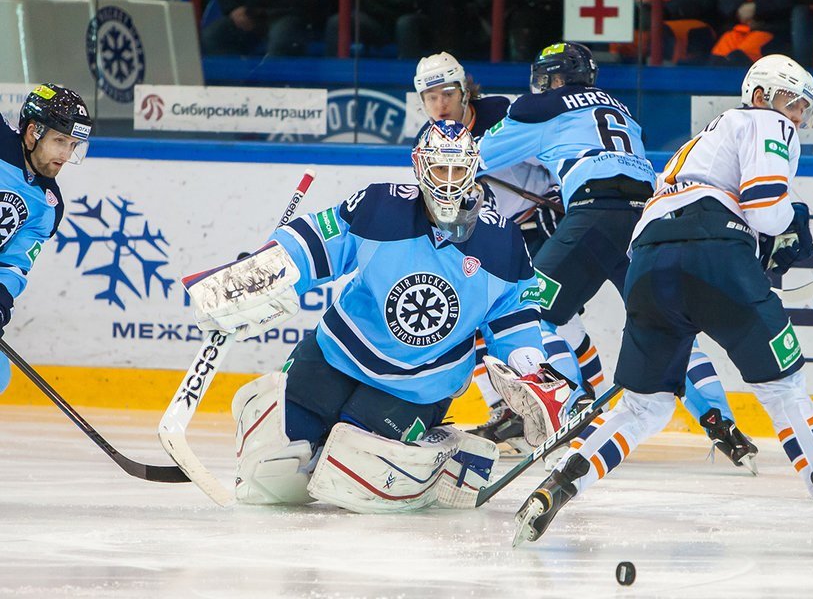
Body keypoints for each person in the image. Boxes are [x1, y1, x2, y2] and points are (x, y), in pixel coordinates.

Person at [511, 55, 813, 557]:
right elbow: (766, 209)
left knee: (643, 406)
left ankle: (555, 487)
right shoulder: (765, 122)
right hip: (713, 247)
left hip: (649, 259)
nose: (797, 115)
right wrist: (792, 225)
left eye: (804, 107)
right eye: (792, 101)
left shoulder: (699, 142)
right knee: (784, 390)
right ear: (760, 94)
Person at [186, 120, 575, 513]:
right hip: (336, 355)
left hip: (419, 384)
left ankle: (443, 454)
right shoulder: (379, 206)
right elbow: (317, 241)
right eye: (441, 169)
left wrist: (531, 368)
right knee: (269, 466)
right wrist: (265, 269)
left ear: (473, 168)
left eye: (459, 170)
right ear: (420, 166)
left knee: (354, 469)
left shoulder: (502, 241)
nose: (450, 181)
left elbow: (514, 316)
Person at [478, 42, 757, 469]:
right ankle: (721, 423)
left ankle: (569, 409)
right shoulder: (621, 108)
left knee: (532, 312)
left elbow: (475, 158)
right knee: (668, 323)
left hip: (594, 216)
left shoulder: (539, 108)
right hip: (647, 218)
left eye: (544, 77)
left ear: (553, 78)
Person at [413, 51, 604, 455]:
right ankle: (511, 411)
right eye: (431, 98)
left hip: (537, 224)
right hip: (489, 239)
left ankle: (592, 400)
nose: (440, 104)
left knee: (555, 313)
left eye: (447, 93)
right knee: (475, 322)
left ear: (464, 90)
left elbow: (556, 147)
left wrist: (560, 198)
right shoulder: (427, 142)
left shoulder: (504, 109)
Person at [0, 84, 92, 393]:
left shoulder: (48, 204)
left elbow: (13, 265)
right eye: (60, 141)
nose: (66, 155)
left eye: (73, 145)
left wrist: (0, 301)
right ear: (31, 133)